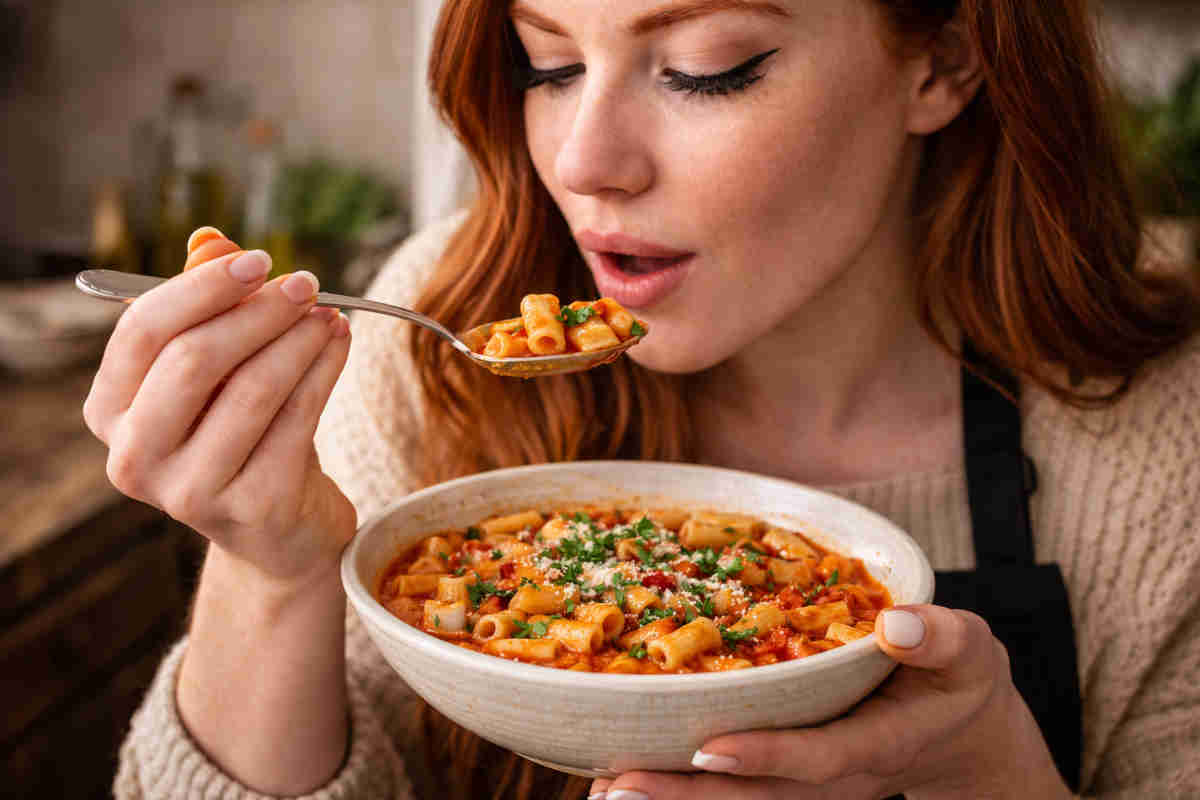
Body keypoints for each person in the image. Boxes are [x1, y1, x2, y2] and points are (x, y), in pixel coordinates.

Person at [93, 0, 1200, 798]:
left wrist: (997, 777)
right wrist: (273, 572)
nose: (585, 163)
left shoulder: (1165, 428)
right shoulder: (429, 327)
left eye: (707, 69)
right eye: (548, 63)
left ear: (943, 61)